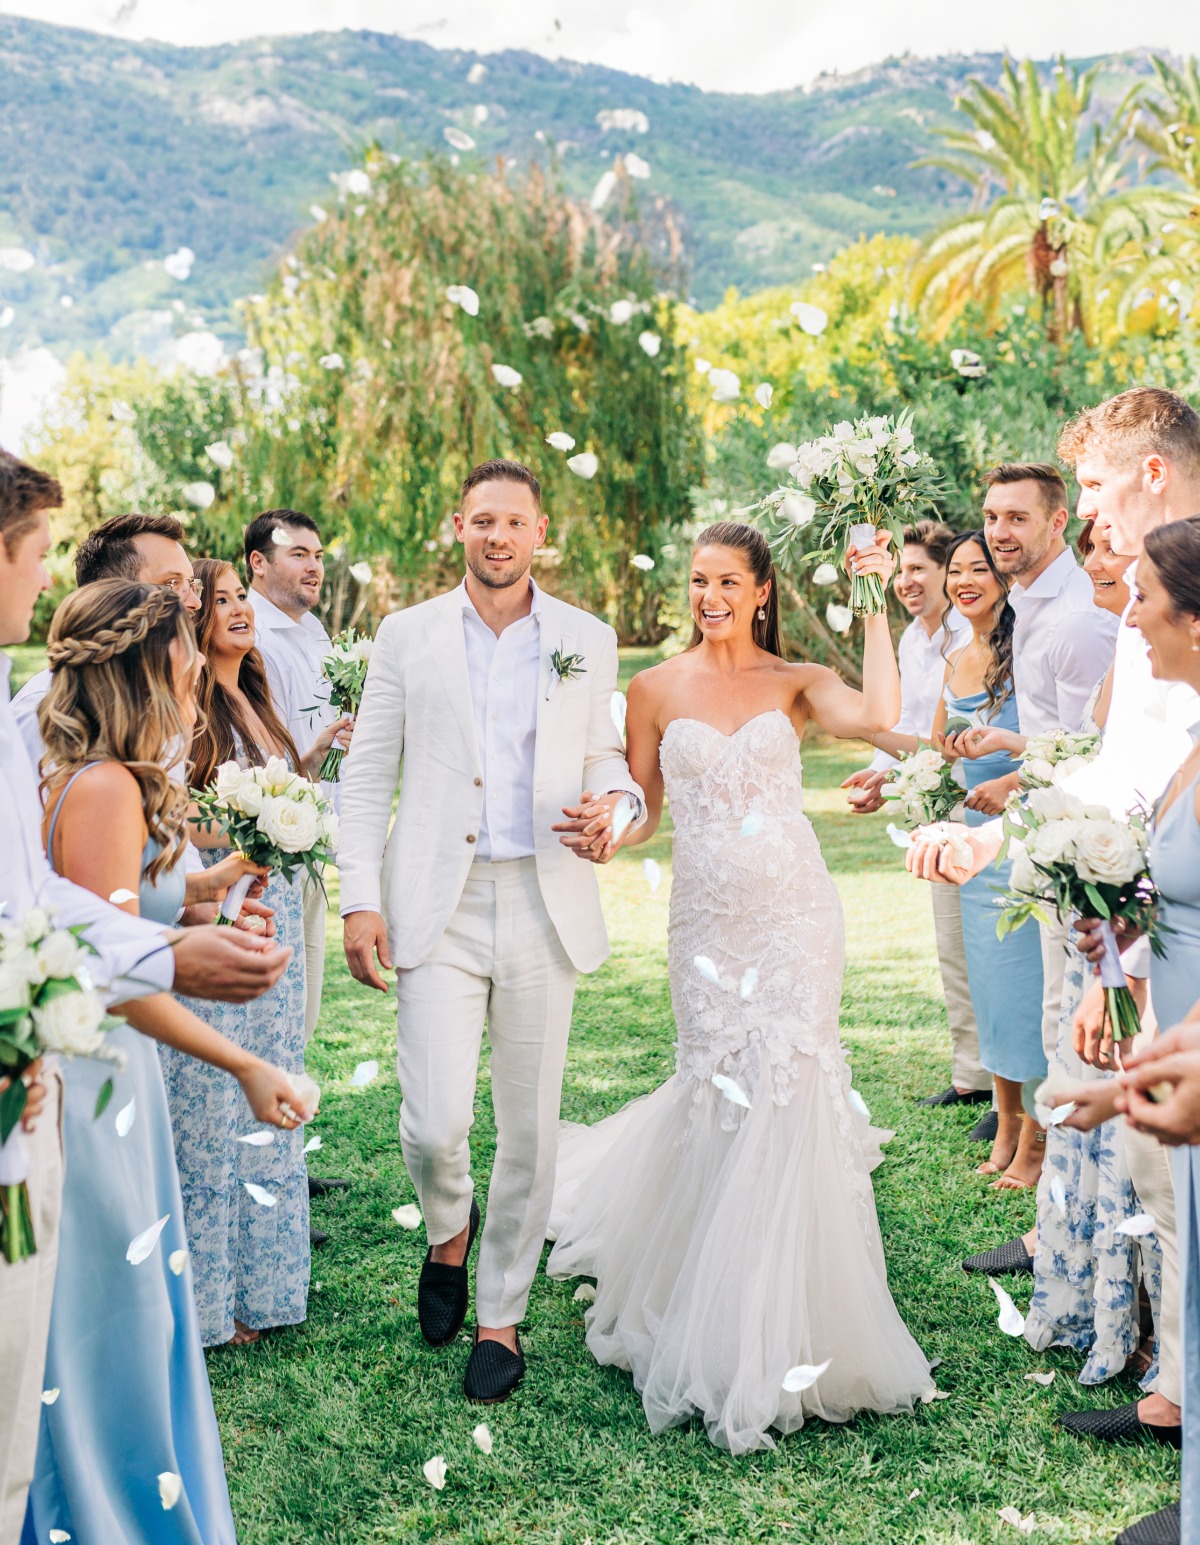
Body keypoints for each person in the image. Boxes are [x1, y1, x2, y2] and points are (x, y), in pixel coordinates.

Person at [544, 518, 938, 1454]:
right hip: (707, 926)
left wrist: (875, 593)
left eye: (726, 580)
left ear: (762, 589)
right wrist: (613, 821)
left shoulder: (797, 684)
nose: (708, 596)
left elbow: (881, 713)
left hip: (796, 916)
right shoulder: (649, 687)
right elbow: (643, 807)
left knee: (790, 1086)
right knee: (720, 1086)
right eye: (696, 580)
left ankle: (792, 1317)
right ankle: (710, 1292)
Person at [905, 389, 1200, 1539]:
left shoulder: (1163, 603)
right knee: (1167, 1192)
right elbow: (1120, 785)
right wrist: (996, 841)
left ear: (1156, 479)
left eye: (1100, 489)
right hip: (1150, 950)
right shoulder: (1147, 615)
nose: (1091, 519)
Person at [0, 449, 291, 1538]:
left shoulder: (80, 761)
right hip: (79, 1074)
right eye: (27, 555)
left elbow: (52, 905)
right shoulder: (97, 779)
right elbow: (45, 917)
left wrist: (191, 905)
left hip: (78, 1059)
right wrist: (210, 1006)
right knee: (101, 1333)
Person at [337, 458, 646, 1405]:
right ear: (458, 527)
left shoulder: (586, 640)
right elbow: (367, 772)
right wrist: (359, 895)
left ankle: (501, 1314)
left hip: (544, 899)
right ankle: (447, 1232)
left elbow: (612, 761)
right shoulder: (406, 634)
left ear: (540, 533)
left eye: (515, 522)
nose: (498, 537)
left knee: (530, 1126)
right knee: (435, 1122)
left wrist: (619, 810)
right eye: (482, 521)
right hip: (438, 898)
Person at [1057, 519, 1200, 1545]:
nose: (1130, 609)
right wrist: (1114, 942)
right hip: (1172, 1023)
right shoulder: (1193, 736)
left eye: (1145, 592)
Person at [162, 559, 328, 1347]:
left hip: (278, 908)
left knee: (272, 1075)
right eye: (220, 600)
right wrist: (246, 832)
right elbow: (178, 823)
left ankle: (266, 1288)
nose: (236, 610)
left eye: (239, 599)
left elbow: (285, 785)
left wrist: (303, 777)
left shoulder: (253, 694)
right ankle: (213, 1300)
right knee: (217, 1104)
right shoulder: (190, 707)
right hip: (225, 906)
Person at [840, 520, 986, 1112]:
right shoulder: (909, 640)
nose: (907, 581)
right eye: (899, 570)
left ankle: (1003, 1082)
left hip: (978, 800)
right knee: (952, 945)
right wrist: (884, 771)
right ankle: (970, 1076)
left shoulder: (965, 637)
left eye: (920, 569)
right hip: (934, 801)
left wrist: (882, 745)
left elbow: (941, 736)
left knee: (985, 946)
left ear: (948, 576)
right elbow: (908, 723)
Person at [244, 508, 354, 1218]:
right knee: (270, 1010)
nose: (313, 566)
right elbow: (257, 745)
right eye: (297, 553)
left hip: (311, 836)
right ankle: (263, 1165)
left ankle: (284, 1157)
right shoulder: (251, 634)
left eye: (319, 554)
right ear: (258, 561)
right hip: (269, 842)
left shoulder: (312, 630)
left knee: (301, 1007)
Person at [934, 531, 1048, 1185]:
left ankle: (1034, 1137)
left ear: (1002, 579)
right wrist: (949, 748)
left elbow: (1054, 738)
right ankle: (1005, 1124)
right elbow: (939, 743)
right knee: (992, 995)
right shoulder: (954, 657)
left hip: (1022, 833)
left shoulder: (1025, 649)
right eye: (957, 570)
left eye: (979, 568)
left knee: (1027, 991)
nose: (965, 579)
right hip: (972, 843)